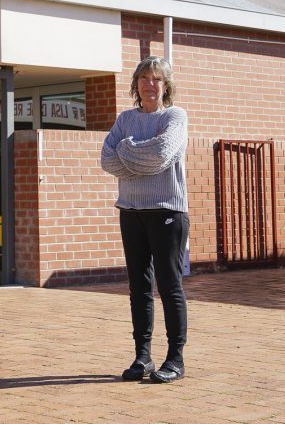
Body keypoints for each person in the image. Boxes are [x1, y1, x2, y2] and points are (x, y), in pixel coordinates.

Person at [101, 56, 189, 384]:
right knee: (138, 286)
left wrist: (127, 152)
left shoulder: (175, 116)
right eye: (144, 78)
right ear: (136, 84)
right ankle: (143, 356)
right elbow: (107, 160)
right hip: (131, 211)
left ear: (166, 86)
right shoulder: (125, 119)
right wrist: (135, 155)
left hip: (167, 211)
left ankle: (175, 358)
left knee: (169, 285)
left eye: (156, 79)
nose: (150, 84)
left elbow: (163, 153)